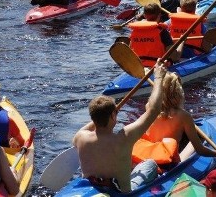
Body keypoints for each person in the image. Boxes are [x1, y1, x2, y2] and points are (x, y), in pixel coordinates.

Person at [72, 59, 167, 193]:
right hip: (120, 193)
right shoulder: (124, 138)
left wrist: (105, 113)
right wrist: (158, 77)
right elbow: (154, 110)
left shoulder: (80, 137)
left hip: (93, 189)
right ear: (112, 116)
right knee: (150, 164)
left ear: (92, 117)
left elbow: (97, 118)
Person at [132, 71, 216, 169]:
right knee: (194, 142)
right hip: (168, 162)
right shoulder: (184, 116)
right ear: (179, 93)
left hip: (148, 155)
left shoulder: (149, 107)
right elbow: (199, 150)